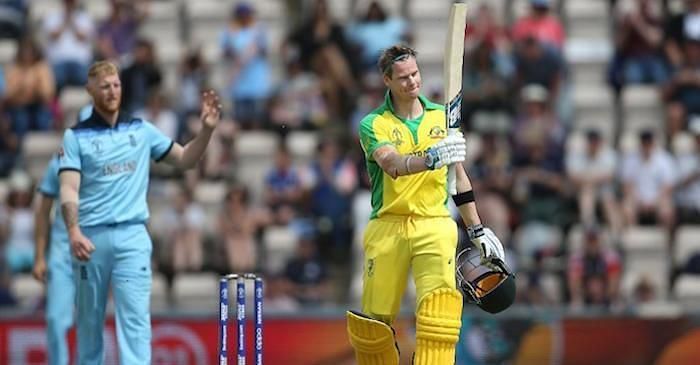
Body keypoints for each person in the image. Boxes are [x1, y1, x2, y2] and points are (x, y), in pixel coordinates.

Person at [347, 44, 506, 365]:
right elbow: (392, 164)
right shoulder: (373, 124)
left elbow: (459, 177)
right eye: (403, 77)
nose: (412, 82)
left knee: (439, 315)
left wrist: (477, 229)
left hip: (434, 224)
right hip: (388, 226)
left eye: (415, 74)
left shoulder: (442, 118)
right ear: (387, 81)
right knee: (373, 325)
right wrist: (432, 158)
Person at [57, 60, 220, 364]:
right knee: (89, 325)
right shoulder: (74, 137)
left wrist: (206, 132)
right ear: (90, 90)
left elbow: (185, 159)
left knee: (135, 324)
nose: (112, 91)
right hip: (89, 240)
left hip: (132, 237)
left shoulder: (141, 130)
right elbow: (68, 188)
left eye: (116, 85)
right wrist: (73, 230)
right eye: (104, 86)